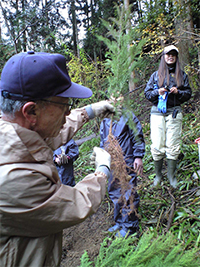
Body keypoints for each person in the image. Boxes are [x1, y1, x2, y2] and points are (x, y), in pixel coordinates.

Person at [0, 51, 114, 266]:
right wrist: (102, 171)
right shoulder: (13, 178)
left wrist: (90, 111)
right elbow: (77, 204)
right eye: (64, 105)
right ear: (31, 111)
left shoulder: (13, 134)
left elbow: (48, 134)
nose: (68, 112)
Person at [144, 45, 192, 188]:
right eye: (167, 54)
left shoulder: (182, 75)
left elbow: (188, 93)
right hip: (157, 113)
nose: (170, 57)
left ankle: (172, 177)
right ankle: (158, 176)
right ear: (163, 57)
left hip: (174, 112)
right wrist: (157, 92)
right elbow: (147, 94)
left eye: (173, 54)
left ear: (176, 57)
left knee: (173, 144)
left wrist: (178, 92)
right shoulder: (155, 75)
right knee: (157, 144)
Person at [100, 105, 145, 237]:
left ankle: (130, 227)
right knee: (114, 191)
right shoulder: (106, 120)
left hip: (127, 161)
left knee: (128, 192)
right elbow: (103, 140)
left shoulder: (128, 116)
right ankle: (120, 222)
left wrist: (138, 156)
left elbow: (137, 137)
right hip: (112, 163)